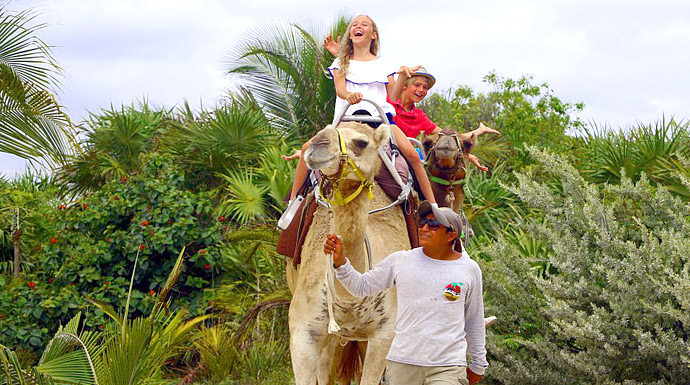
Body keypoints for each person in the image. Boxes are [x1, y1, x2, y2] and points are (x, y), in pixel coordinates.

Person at [325, 201, 488, 385]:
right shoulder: (400, 261)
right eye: (422, 222)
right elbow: (361, 287)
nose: (424, 228)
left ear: (451, 235)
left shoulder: (469, 269)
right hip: (402, 365)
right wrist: (340, 262)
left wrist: (478, 364)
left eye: (433, 225)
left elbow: (474, 319)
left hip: (447, 367)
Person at [286, 14, 438, 204]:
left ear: (373, 34)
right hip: (347, 123)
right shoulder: (341, 62)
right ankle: (293, 205)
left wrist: (401, 76)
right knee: (307, 148)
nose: (358, 26)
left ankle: (431, 206)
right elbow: (340, 88)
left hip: (380, 124)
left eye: (364, 24)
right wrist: (348, 95)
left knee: (414, 155)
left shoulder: (383, 64)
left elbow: (393, 97)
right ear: (351, 34)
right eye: (354, 25)